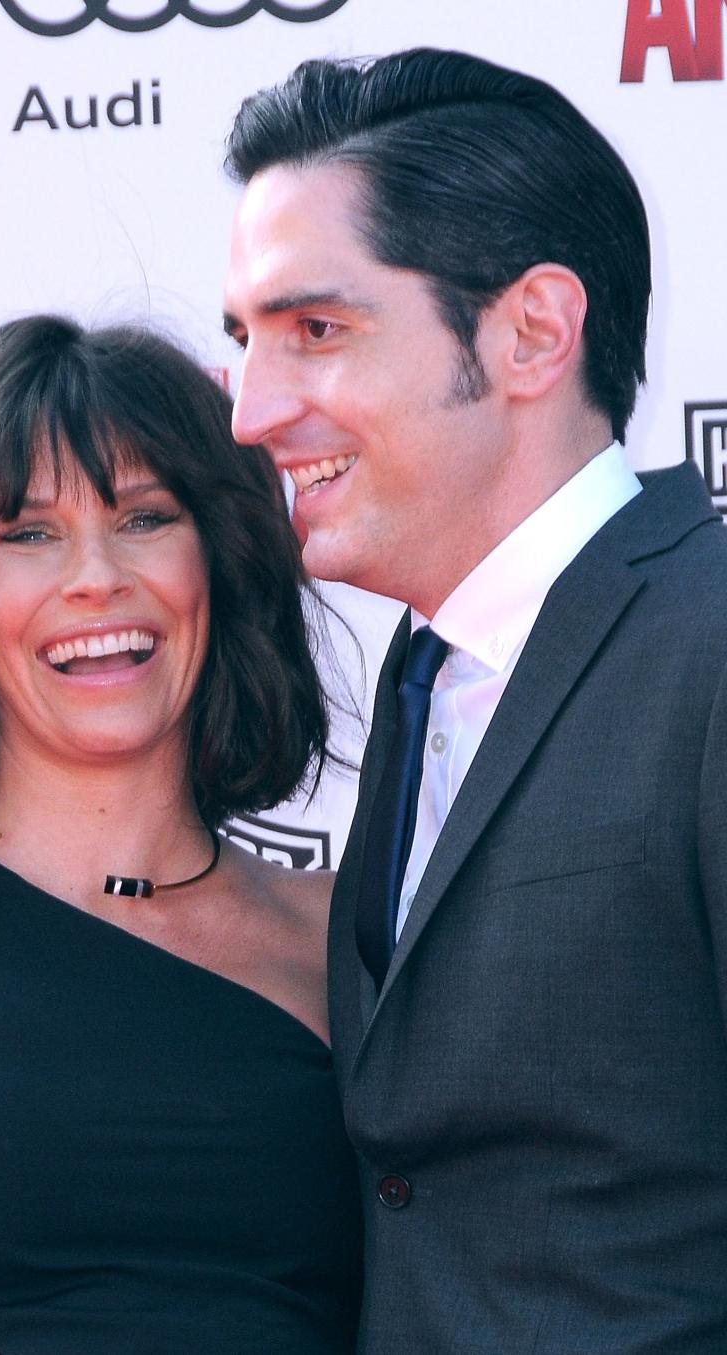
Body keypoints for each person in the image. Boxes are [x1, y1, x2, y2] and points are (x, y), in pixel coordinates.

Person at [222, 47, 727, 1355]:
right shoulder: (426, 674)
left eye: (315, 330)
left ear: (530, 333)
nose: (251, 410)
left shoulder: (709, 642)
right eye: (244, 341)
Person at [0, 316, 363, 1354]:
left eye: (143, 517)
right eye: (29, 533)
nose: (94, 576)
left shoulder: (361, 945)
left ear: (221, 564)